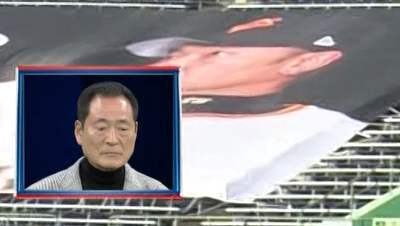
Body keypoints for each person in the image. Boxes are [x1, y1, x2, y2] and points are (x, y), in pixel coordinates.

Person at [129, 16, 364, 201]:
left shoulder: (313, 125)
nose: (174, 62)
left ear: (305, 62)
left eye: (217, 54)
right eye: (176, 52)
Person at [26, 81, 168, 192]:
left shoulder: (159, 194)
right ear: (79, 132)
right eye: (101, 128)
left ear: (135, 131)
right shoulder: (38, 194)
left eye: (123, 129)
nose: (112, 140)